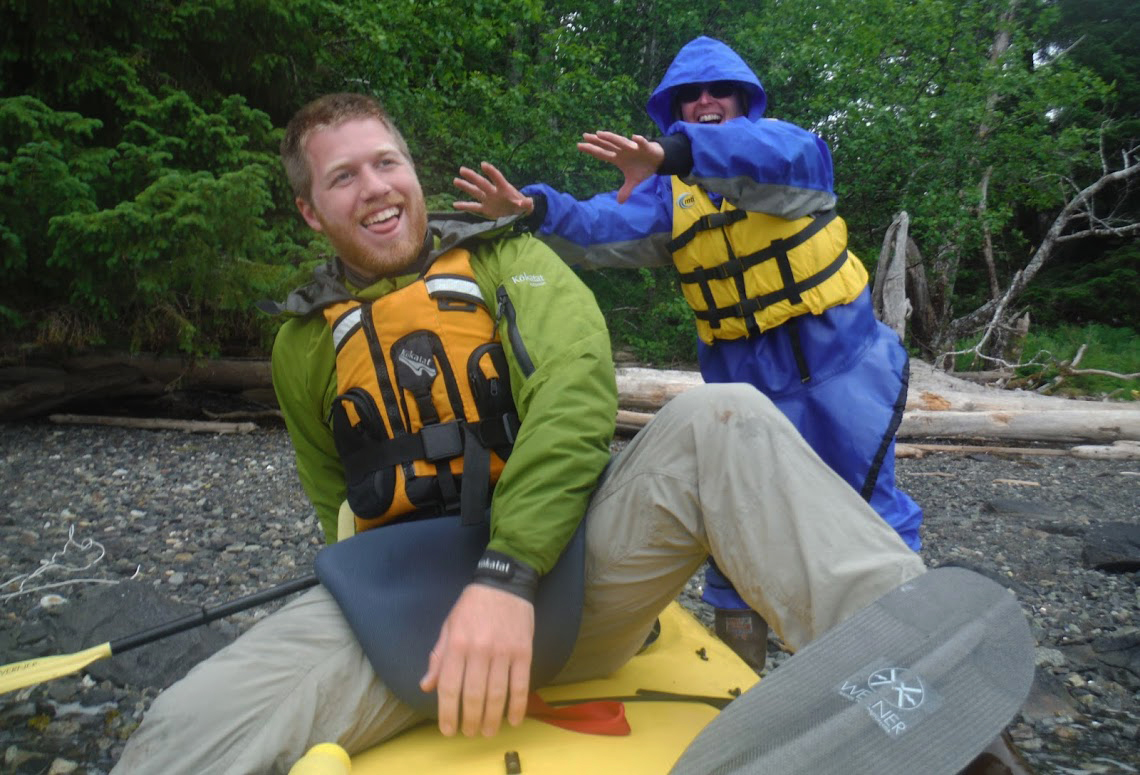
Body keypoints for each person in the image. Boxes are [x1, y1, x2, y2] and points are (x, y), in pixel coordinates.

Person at [108, 92, 1012, 775]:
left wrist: (507, 574)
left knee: (715, 415)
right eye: (343, 177)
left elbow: (579, 398)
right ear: (312, 210)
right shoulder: (301, 343)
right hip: (417, 613)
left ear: (413, 173)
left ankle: (930, 686)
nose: (376, 189)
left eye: (387, 163)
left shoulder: (509, 256)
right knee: (183, 731)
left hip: (573, 576)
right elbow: (332, 500)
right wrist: (380, 607)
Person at [453, 35, 924, 669]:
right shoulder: (667, 199)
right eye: (689, 96)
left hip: (835, 368)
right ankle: (740, 681)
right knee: (737, 520)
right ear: (673, 108)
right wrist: (534, 208)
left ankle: (909, 657)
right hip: (744, 382)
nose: (705, 101)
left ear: (743, 99)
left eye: (718, 91)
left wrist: (677, 151)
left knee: (866, 506)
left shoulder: (792, 150)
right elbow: (600, 226)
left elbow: (759, 161)